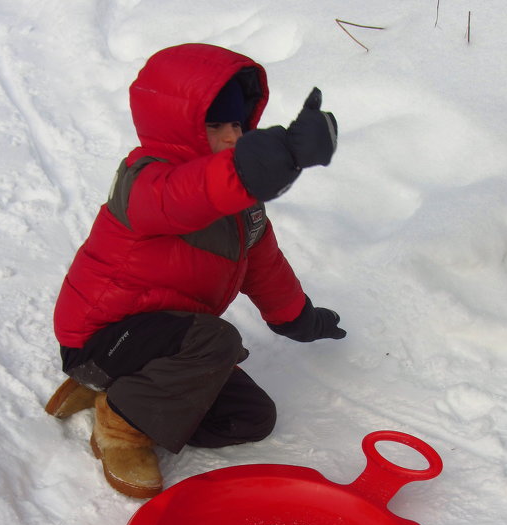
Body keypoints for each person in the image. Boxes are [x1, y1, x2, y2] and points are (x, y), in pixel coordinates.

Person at [45, 43, 345, 499]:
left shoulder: (240, 203)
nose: (231, 137)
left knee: (251, 417)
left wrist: (299, 317)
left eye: (238, 125)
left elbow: (264, 266)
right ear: (179, 126)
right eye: (215, 125)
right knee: (216, 340)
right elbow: (188, 196)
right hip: (101, 338)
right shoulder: (146, 181)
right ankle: (121, 428)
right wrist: (273, 155)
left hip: (162, 345)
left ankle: (119, 392)